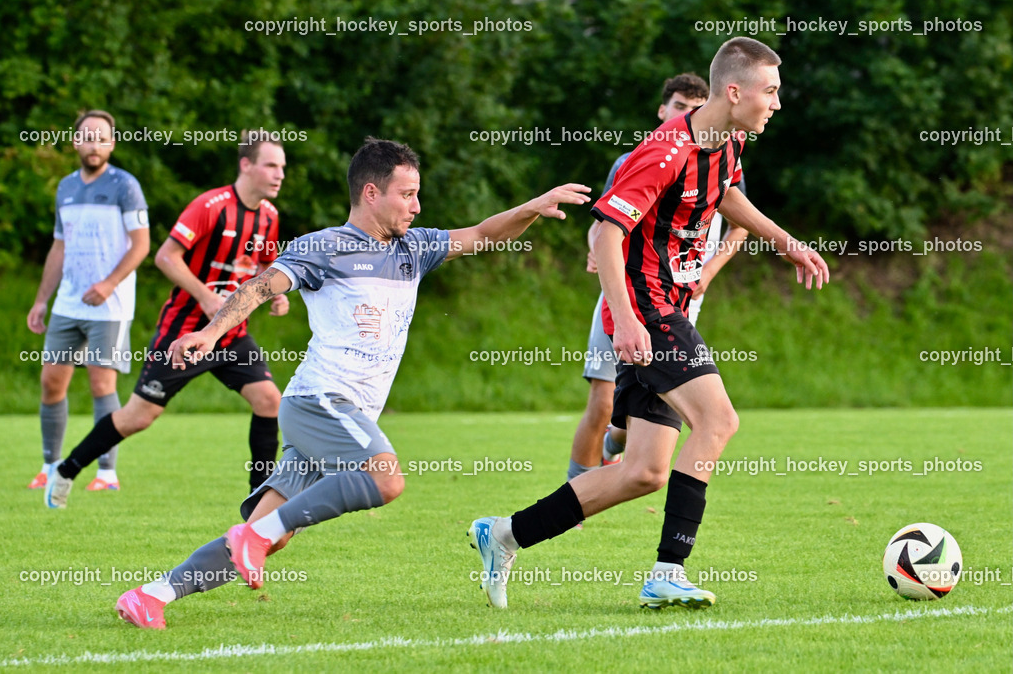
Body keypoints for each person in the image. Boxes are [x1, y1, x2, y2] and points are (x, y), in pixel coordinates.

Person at [111, 137, 590, 629]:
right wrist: (211, 333)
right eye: (406, 194)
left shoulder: (414, 249)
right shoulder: (325, 247)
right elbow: (258, 286)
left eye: (417, 194)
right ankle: (249, 540)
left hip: (340, 415)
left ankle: (153, 594)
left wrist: (532, 207)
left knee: (266, 535)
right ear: (370, 192)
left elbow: (485, 233)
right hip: (321, 400)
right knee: (386, 478)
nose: (417, 206)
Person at [470, 37, 829, 610]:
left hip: (670, 308)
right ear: (734, 92)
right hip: (650, 307)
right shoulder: (666, 150)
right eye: (771, 91)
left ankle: (505, 534)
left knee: (643, 472)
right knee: (719, 420)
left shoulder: (729, 141)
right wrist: (628, 319)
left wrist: (785, 244)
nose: (776, 104)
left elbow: (728, 196)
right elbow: (607, 232)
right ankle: (668, 571)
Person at [44, 132, 290, 508]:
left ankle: (258, 505)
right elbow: (165, 257)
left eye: (282, 167)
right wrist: (206, 296)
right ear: (246, 165)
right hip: (184, 334)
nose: (279, 174)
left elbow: (262, 268)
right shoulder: (211, 205)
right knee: (137, 417)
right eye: (271, 165)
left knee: (269, 401)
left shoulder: (269, 217)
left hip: (230, 335)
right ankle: (66, 470)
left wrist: (276, 294)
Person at [568, 74, 750, 481]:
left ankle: (617, 443)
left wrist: (711, 268)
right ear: (663, 109)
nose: (689, 114)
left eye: (696, 106)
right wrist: (595, 247)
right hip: (627, 295)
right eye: (681, 106)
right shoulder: (645, 155)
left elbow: (739, 220)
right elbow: (605, 224)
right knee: (601, 400)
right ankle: (575, 490)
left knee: (649, 418)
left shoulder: (724, 152)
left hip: (679, 301)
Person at [26, 110, 150, 492]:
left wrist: (109, 283)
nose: (94, 144)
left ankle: (106, 474)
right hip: (68, 303)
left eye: (101, 137)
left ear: (111, 144)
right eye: (87, 137)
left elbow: (141, 244)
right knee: (51, 382)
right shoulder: (65, 187)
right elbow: (59, 247)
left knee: (101, 385)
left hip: (109, 306)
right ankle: (50, 465)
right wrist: (41, 300)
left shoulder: (125, 185)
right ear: (76, 141)